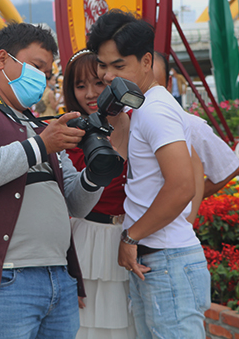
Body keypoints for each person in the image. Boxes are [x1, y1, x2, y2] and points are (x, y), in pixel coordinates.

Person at [0, 22, 114, 339]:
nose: (42, 77)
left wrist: (94, 177)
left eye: (47, 70)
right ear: (2, 59)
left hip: (58, 275)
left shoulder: (36, 123)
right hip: (3, 278)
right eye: (36, 66)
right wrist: (42, 145)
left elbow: (76, 203)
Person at [87, 9, 211, 339]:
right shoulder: (141, 107)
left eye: (118, 65)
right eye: (102, 65)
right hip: (157, 260)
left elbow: (182, 184)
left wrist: (131, 237)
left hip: (166, 260)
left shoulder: (155, 109)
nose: (108, 75)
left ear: (145, 61)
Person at [62, 50, 136, 338]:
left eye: (98, 83)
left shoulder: (139, 121)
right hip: (85, 239)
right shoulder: (68, 132)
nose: (90, 94)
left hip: (132, 238)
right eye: (80, 86)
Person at [152, 52, 239, 222]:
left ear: (169, 84)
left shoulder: (191, 125)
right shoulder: (124, 121)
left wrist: (187, 200)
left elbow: (229, 168)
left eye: (154, 86)